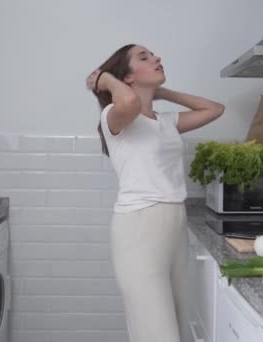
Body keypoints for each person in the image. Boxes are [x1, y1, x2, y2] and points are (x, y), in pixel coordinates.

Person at [85, 44, 224, 342]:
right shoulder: (115, 116)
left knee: (177, 327)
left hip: (175, 224)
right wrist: (105, 80)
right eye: (144, 57)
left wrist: (163, 93)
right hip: (139, 228)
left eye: (154, 55)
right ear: (128, 77)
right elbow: (130, 103)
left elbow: (215, 109)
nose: (157, 58)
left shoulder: (165, 122)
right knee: (157, 335)